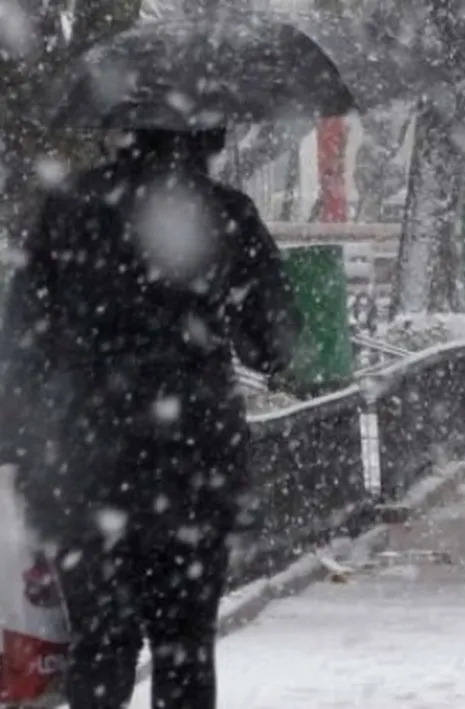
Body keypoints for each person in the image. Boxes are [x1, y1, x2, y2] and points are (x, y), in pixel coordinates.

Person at [0, 127, 301, 709]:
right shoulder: (224, 213)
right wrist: (229, 301)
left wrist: (16, 445)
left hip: (80, 465)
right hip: (193, 465)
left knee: (100, 643)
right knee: (184, 648)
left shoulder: (68, 210)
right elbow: (276, 347)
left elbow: (20, 343)